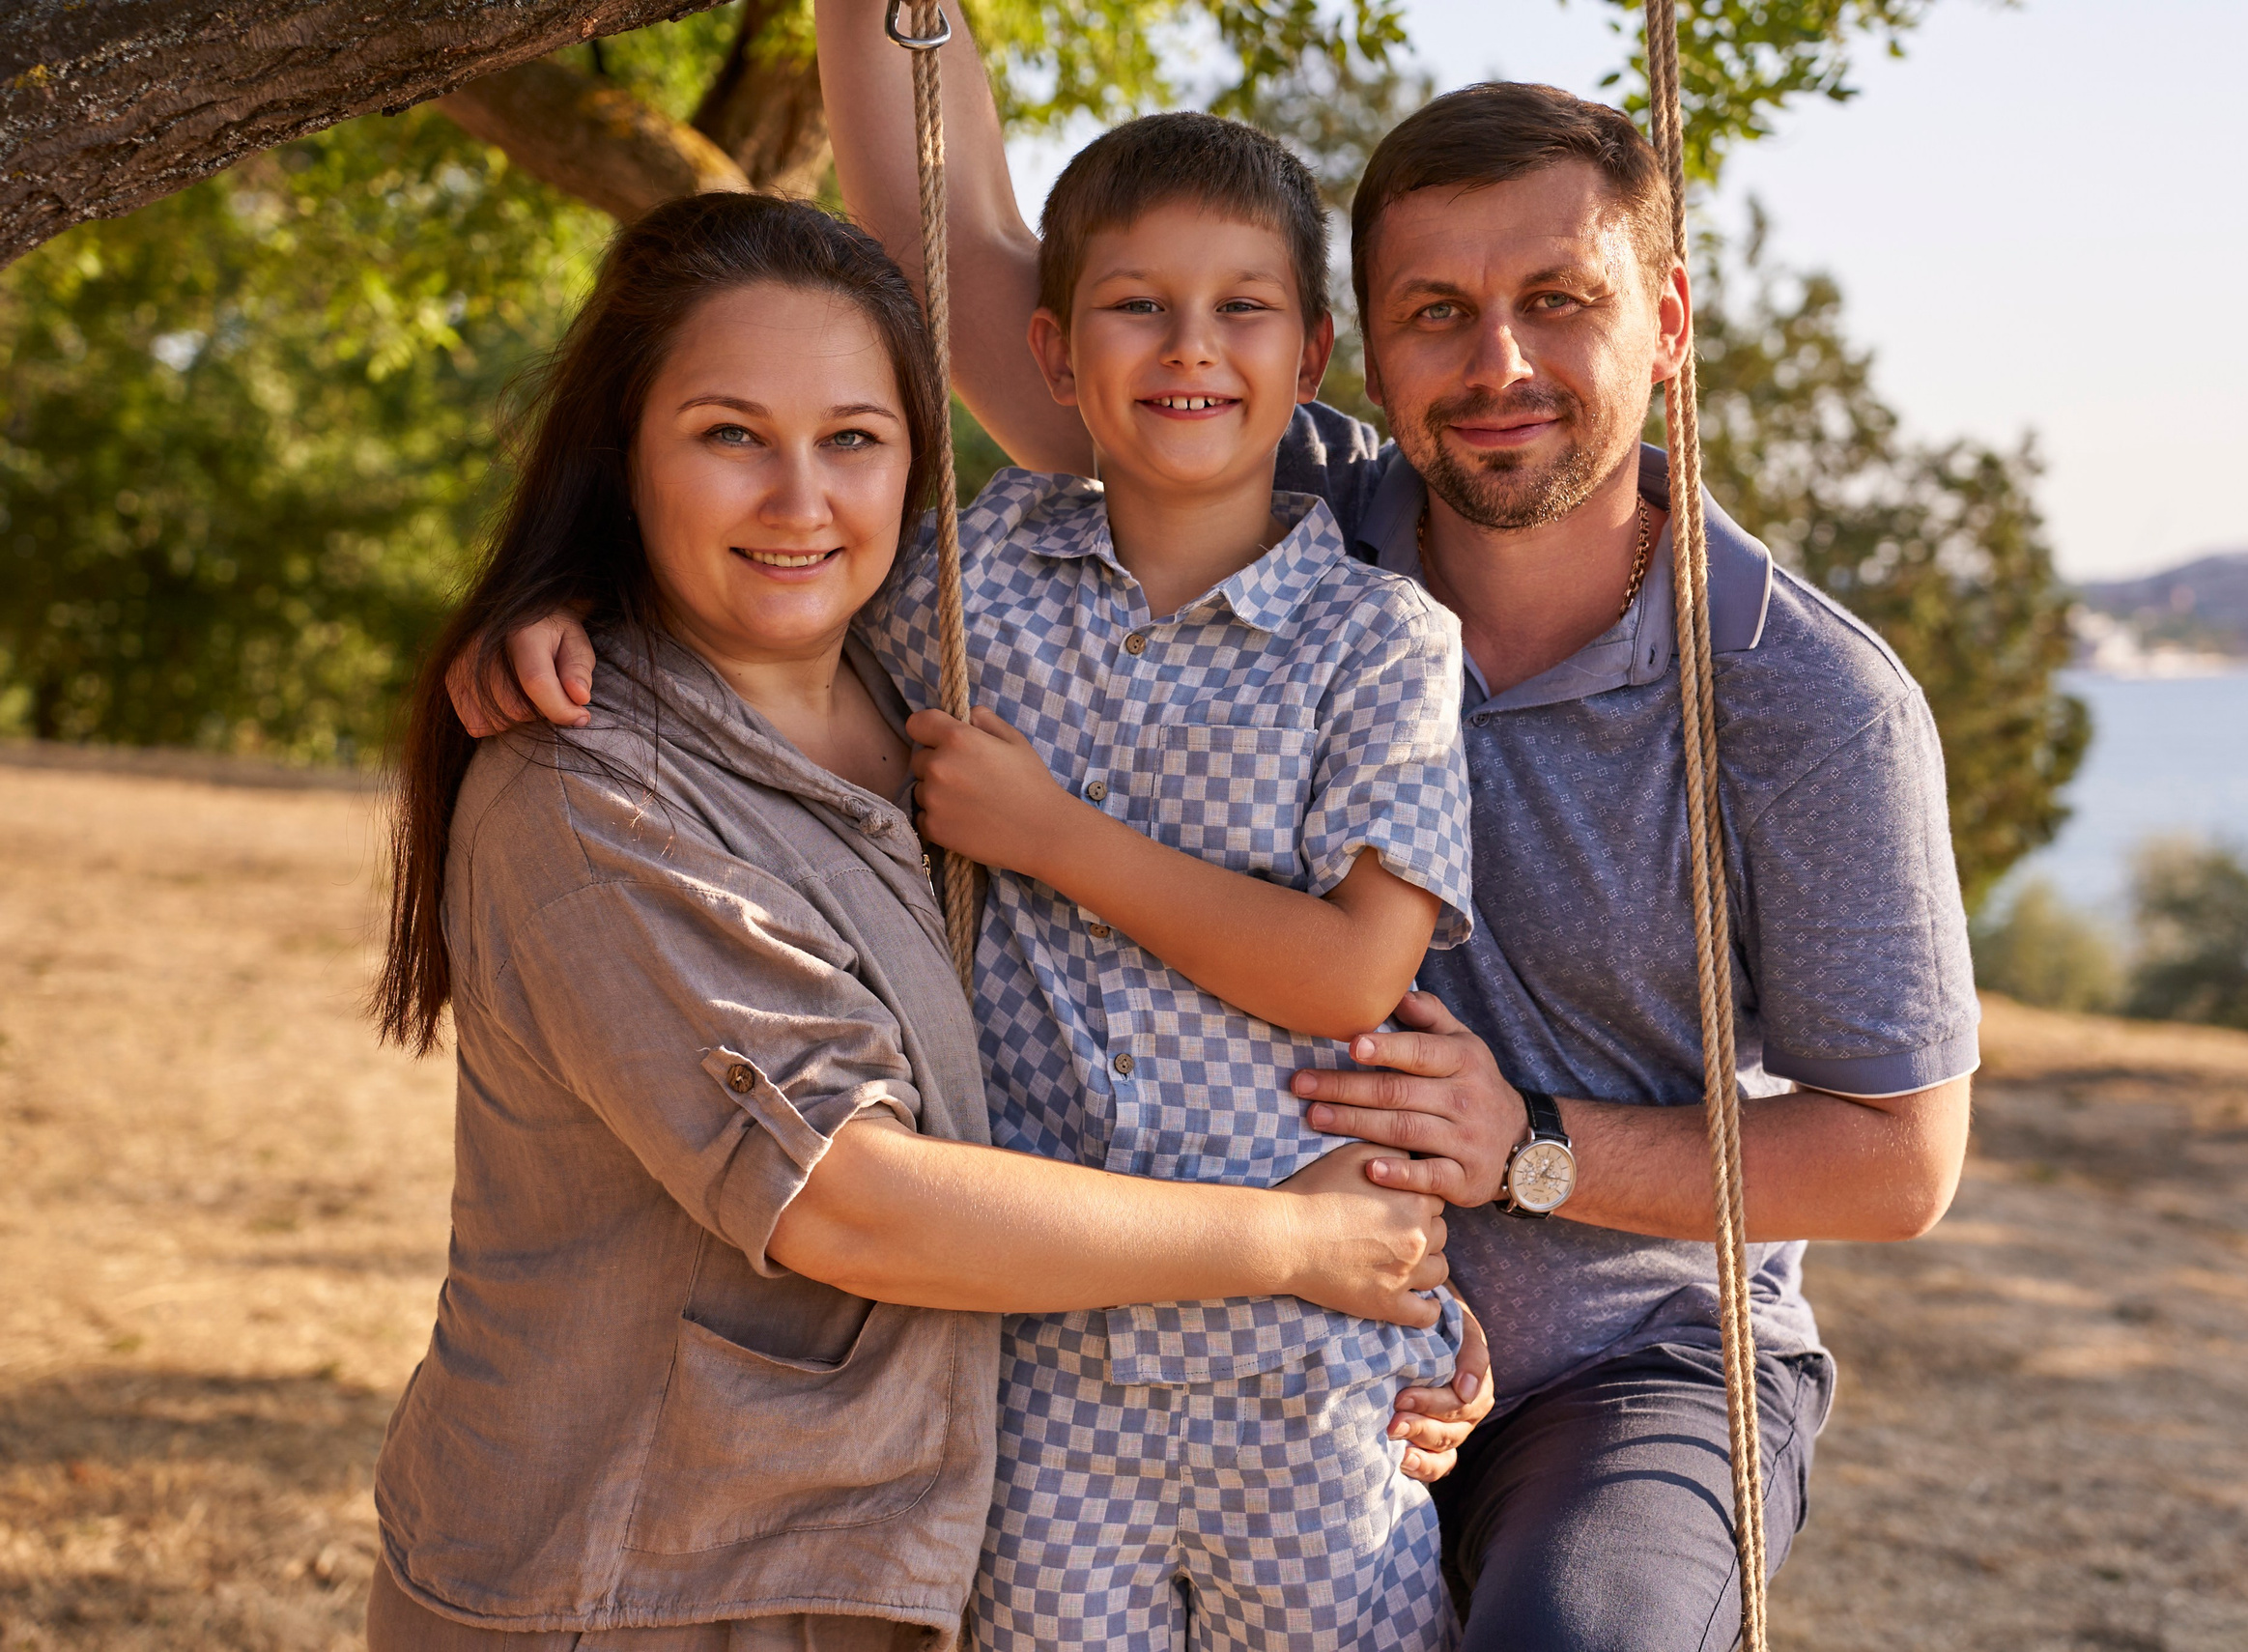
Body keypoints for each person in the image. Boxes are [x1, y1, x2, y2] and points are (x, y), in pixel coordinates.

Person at [476, 29, 1979, 1652]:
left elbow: (1901, 1156)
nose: (1497, 365)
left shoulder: (1806, 699)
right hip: (1182, 1316)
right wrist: (594, 596)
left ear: (1667, 321)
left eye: (1559, 299)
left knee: (1583, 1636)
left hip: (1614, 1358)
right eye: (1437, 314)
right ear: (1366, 357)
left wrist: (1533, 1145)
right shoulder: (1290, 507)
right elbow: (956, 276)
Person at [375, 190, 1484, 1652]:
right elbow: (850, 1195)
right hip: (633, 1580)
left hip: (866, 1556)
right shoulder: (589, 786)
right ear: (624, 455)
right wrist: (1295, 1244)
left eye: (852, 439)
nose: (800, 501)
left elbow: (1171, 1003)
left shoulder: (919, 694)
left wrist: (1384, 1297)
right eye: (727, 436)